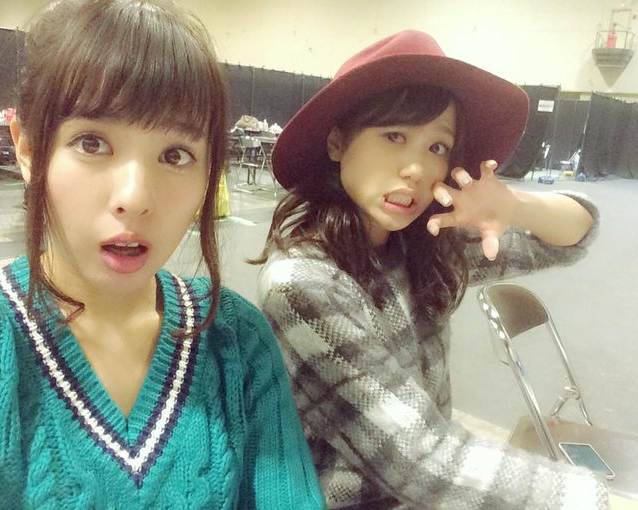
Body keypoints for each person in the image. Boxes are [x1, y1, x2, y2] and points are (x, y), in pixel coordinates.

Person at [0, 1, 324, 508]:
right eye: (92, 143)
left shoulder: (237, 343)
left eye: (175, 155)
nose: (135, 197)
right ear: (29, 149)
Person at [255, 30, 609, 509]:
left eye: (437, 147)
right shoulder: (303, 283)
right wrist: (591, 498)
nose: (416, 169)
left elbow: (573, 235)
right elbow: (419, 460)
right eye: (394, 137)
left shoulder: (420, 243)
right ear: (338, 141)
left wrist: (513, 204)